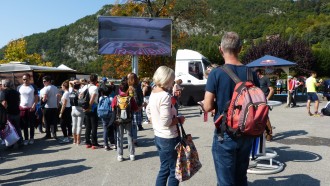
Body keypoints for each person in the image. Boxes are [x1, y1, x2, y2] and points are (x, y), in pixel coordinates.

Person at [203, 32, 259, 186]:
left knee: (225, 181)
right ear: (240, 49)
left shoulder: (216, 73)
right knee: (241, 178)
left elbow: (207, 106)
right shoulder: (251, 73)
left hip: (225, 133)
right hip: (247, 132)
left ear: (220, 49)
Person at [146, 66, 186, 186]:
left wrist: (155, 122)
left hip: (158, 136)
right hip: (169, 138)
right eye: (172, 79)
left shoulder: (153, 92)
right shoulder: (165, 96)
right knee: (175, 171)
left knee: (164, 169)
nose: (173, 81)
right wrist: (179, 119)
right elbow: (166, 122)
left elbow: (148, 111)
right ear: (167, 79)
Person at [112, 80, 138, 161]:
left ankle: (120, 155)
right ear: (127, 89)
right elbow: (135, 109)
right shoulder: (130, 98)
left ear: (120, 89)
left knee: (120, 137)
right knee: (129, 136)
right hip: (128, 120)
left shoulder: (116, 98)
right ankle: (132, 154)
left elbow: (112, 108)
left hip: (119, 121)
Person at [0, 79, 24, 147]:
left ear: (4, 85)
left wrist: (3, 111)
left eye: (1, 84)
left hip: (8, 113)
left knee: (9, 129)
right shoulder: (16, 92)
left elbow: (4, 103)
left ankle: (11, 143)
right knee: (17, 127)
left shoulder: (3, 92)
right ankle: (20, 141)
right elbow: (19, 101)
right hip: (16, 112)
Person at [17, 74, 39, 145]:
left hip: (31, 108)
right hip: (22, 108)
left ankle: (31, 138)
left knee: (32, 123)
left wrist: (34, 105)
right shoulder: (19, 87)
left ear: (29, 79)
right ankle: (26, 138)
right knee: (24, 124)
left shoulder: (33, 86)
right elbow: (19, 97)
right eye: (23, 79)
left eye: (26, 79)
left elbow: (36, 97)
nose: (25, 81)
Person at [81, 74, 100, 149]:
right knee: (94, 126)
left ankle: (87, 142)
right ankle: (94, 143)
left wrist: (84, 106)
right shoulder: (95, 87)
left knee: (88, 126)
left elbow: (80, 96)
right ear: (96, 80)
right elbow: (93, 98)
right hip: (93, 107)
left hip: (85, 107)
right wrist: (89, 106)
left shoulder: (86, 86)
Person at [127, 72, 144, 146]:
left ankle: (131, 140)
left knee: (130, 125)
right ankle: (134, 140)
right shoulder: (138, 87)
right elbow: (140, 98)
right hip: (136, 108)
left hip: (129, 108)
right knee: (134, 125)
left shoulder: (128, 87)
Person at [70, 80, 84, 145]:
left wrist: (74, 82)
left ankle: (74, 140)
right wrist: (80, 82)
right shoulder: (81, 91)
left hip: (73, 109)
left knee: (74, 125)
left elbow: (70, 82)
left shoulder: (71, 90)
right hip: (80, 109)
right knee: (79, 126)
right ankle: (78, 141)